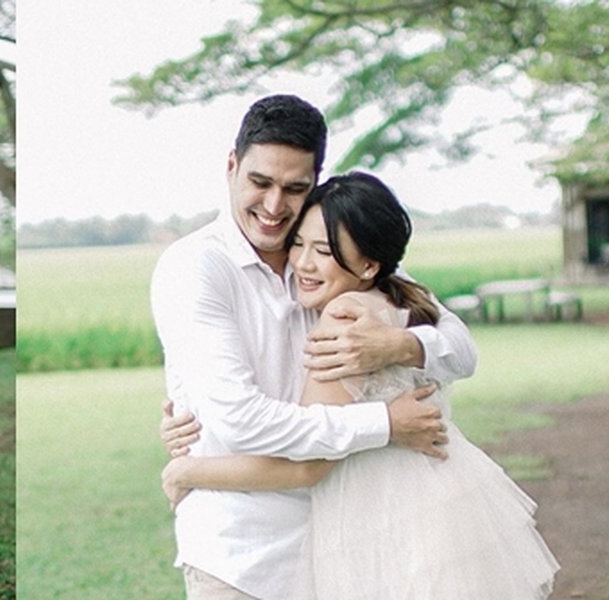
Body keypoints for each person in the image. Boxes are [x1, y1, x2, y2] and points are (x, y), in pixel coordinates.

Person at [161, 172, 559, 598]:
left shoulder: (345, 318)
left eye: (325, 251)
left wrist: (189, 470)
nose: (304, 264)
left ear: (368, 264)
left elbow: (309, 464)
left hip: (387, 522)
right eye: (300, 244)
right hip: (438, 510)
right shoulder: (404, 294)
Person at [150, 95, 478, 600]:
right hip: (242, 557)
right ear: (232, 165)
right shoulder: (195, 268)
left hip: (343, 543)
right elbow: (240, 420)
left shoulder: (335, 249)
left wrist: (398, 344)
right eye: (260, 183)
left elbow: (458, 344)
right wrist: (385, 425)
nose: (275, 207)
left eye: (295, 188)